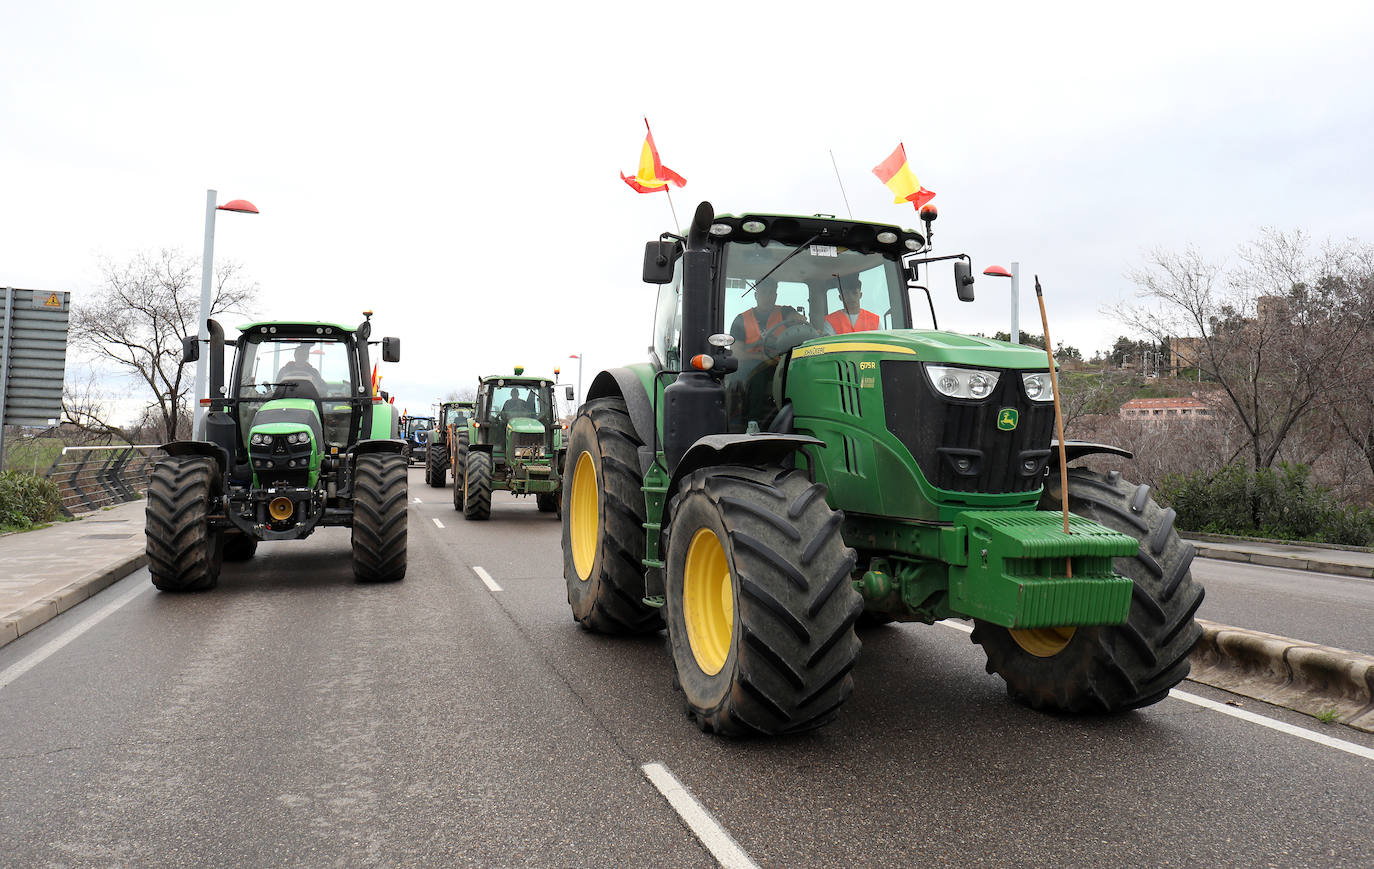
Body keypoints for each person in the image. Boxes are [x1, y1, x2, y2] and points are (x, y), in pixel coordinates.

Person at [728, 278, 805, 361]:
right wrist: (762, 357)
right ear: (756, 295)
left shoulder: (785, 312)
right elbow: (737, 354)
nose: (767, 297)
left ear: (776, 296)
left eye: (771, 293)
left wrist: (796, 318)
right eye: (763, 292)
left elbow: (798, 319)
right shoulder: (741, 320)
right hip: (749, 369)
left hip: (781, 367)